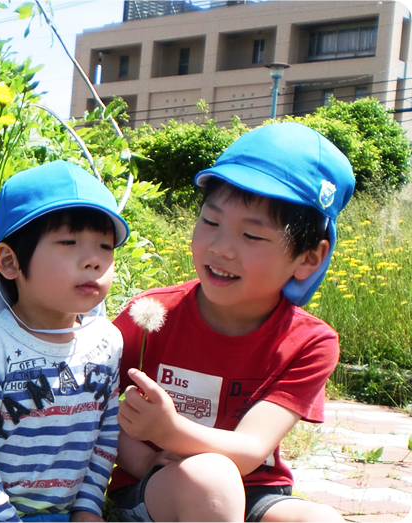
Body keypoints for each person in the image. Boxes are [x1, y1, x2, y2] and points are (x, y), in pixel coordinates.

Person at [109, 122, 354, 523]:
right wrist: (149, 456)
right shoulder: (151, 314)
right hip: (157, 483)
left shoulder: (309, 343)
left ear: (309, 257)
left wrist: (171, 430)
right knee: (210, 478)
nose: (221, 248)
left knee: (319, 520)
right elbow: (90, 409)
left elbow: (249, 449)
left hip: (255, 488)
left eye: (252, 236)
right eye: (210, 222)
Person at [0, 160, 130, 523]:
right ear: (10, 262)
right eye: (69, 242)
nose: (93, 261)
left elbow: (106, 435)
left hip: (68, 512)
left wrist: (88, 507)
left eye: (105, 246)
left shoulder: (108, 342)